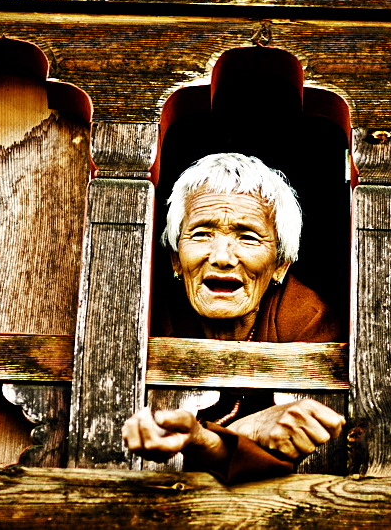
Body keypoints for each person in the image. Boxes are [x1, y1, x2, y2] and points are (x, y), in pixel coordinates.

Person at [122, 153, 345, 483]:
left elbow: (308, 450)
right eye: (201, 233)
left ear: (281, 264)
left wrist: (208, 437)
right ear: (174, 258)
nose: (222, 258)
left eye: (248, 236)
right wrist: (249, 429)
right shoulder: (141, 313)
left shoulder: (308, 319)